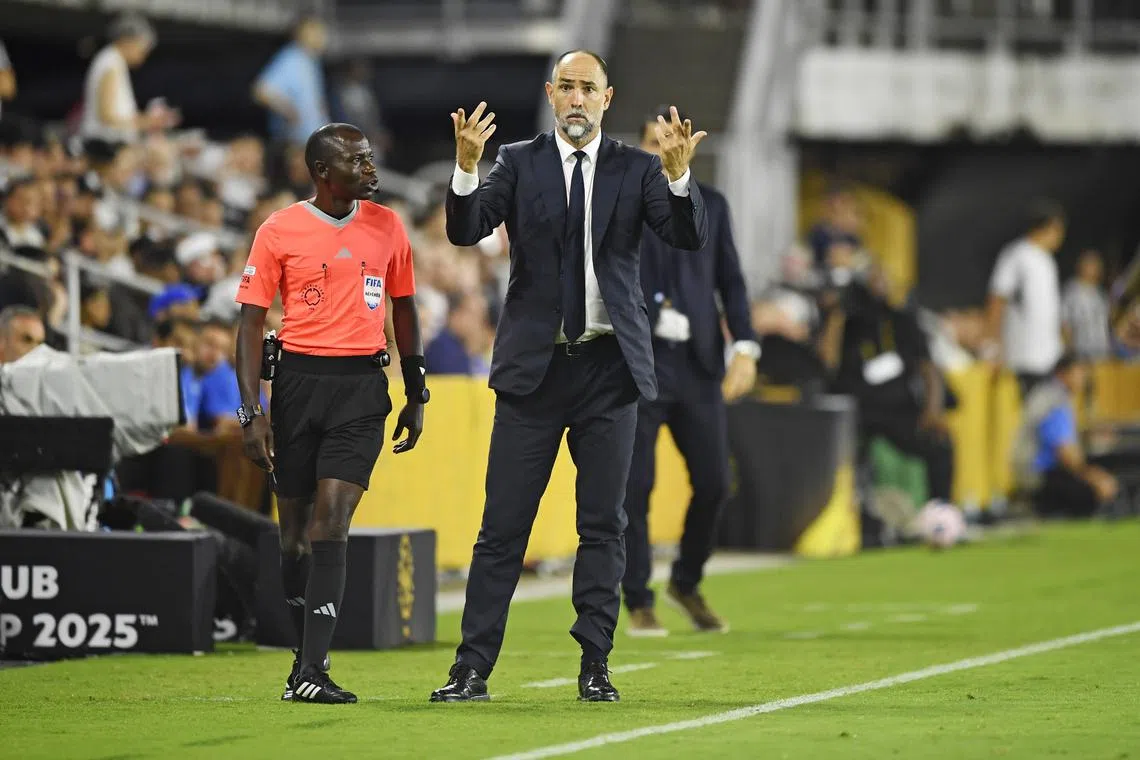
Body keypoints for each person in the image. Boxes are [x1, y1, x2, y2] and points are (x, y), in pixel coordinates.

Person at [429, 49, 708, 704]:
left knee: (602, 524)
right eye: (569, 88)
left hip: (610, 370)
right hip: (534, 370)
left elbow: (684, 238)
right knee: (503, 527)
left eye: (591, 89)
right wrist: (466, 168)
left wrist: (678, 180)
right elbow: (467, 230)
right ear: (551, 94)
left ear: (607, 100)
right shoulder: (519, 162)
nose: (578, 99)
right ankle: (471, 669)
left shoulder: (638, 168)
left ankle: (595, 665)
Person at [234, 122, 427, 704]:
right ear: (323, 172)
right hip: (295, 385)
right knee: (292, 537)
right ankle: (302, 657)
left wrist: (415, 390)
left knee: (332, 521)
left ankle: (313, 669)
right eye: (360, 161)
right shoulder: (279, 229)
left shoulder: (388, 226)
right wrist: (251, 412)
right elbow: (248, 324)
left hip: (361, 390)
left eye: (371, 159)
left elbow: (406, 310)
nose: (372, 170)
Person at [620, 106, 758, 637]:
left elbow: (732, 281)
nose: (664, 152)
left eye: (672, 142)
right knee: (635, 486)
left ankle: (687, 580)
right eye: (654, 144)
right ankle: (637, 597)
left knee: (716, 482)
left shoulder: (713, 206)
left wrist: (745, 345)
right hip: (640, 363)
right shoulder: (623, 206)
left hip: (698, 365)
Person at [831, 268, 955, 507]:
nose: (878, 288)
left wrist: (932, 410)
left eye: (882, 280)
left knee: (940, 442)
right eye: (871, 282)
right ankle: (854, 517)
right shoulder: (847, 326)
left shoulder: (902, 321)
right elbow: (828, 363)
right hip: (857, 413)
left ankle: (941, 511)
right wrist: (837, 315)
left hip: (900, 411)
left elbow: (929, 369)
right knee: (841, 452)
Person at [1013, 353, 1118, 517]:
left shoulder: (1046, 394)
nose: (1083, 378)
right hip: (1040, 475)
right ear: (1062, 373)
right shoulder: (1055, 400)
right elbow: (1065, 454)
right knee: (1090, 493)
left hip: (1030, 470)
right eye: (1079, 372)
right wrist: (1096, 478)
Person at [984, 200, 1066, 396]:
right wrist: (994, 346)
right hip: (1024, 356)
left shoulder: (1047, 261)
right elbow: (997, 298)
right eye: (1059, 230)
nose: (1061, 237)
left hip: (1049, 356)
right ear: (1048, 227)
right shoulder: (1016, 255)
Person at [79, 15, 179, 146]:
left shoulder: (113, 61)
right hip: (105, 146)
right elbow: (107, 115)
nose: (143, 56)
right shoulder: (110, 62)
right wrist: (148, 121)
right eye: (142, 48)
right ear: (128, 40)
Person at [1061, 249, 1112, 361]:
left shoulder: (1101, 294)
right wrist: (1069, 354)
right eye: (1091, 264)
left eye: (1098, 265)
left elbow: (1106, 324)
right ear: (1080, 266)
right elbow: (1064, 324)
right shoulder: (1070, 291)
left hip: (1102, 354)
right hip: (1080, 354)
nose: (1096, 268)